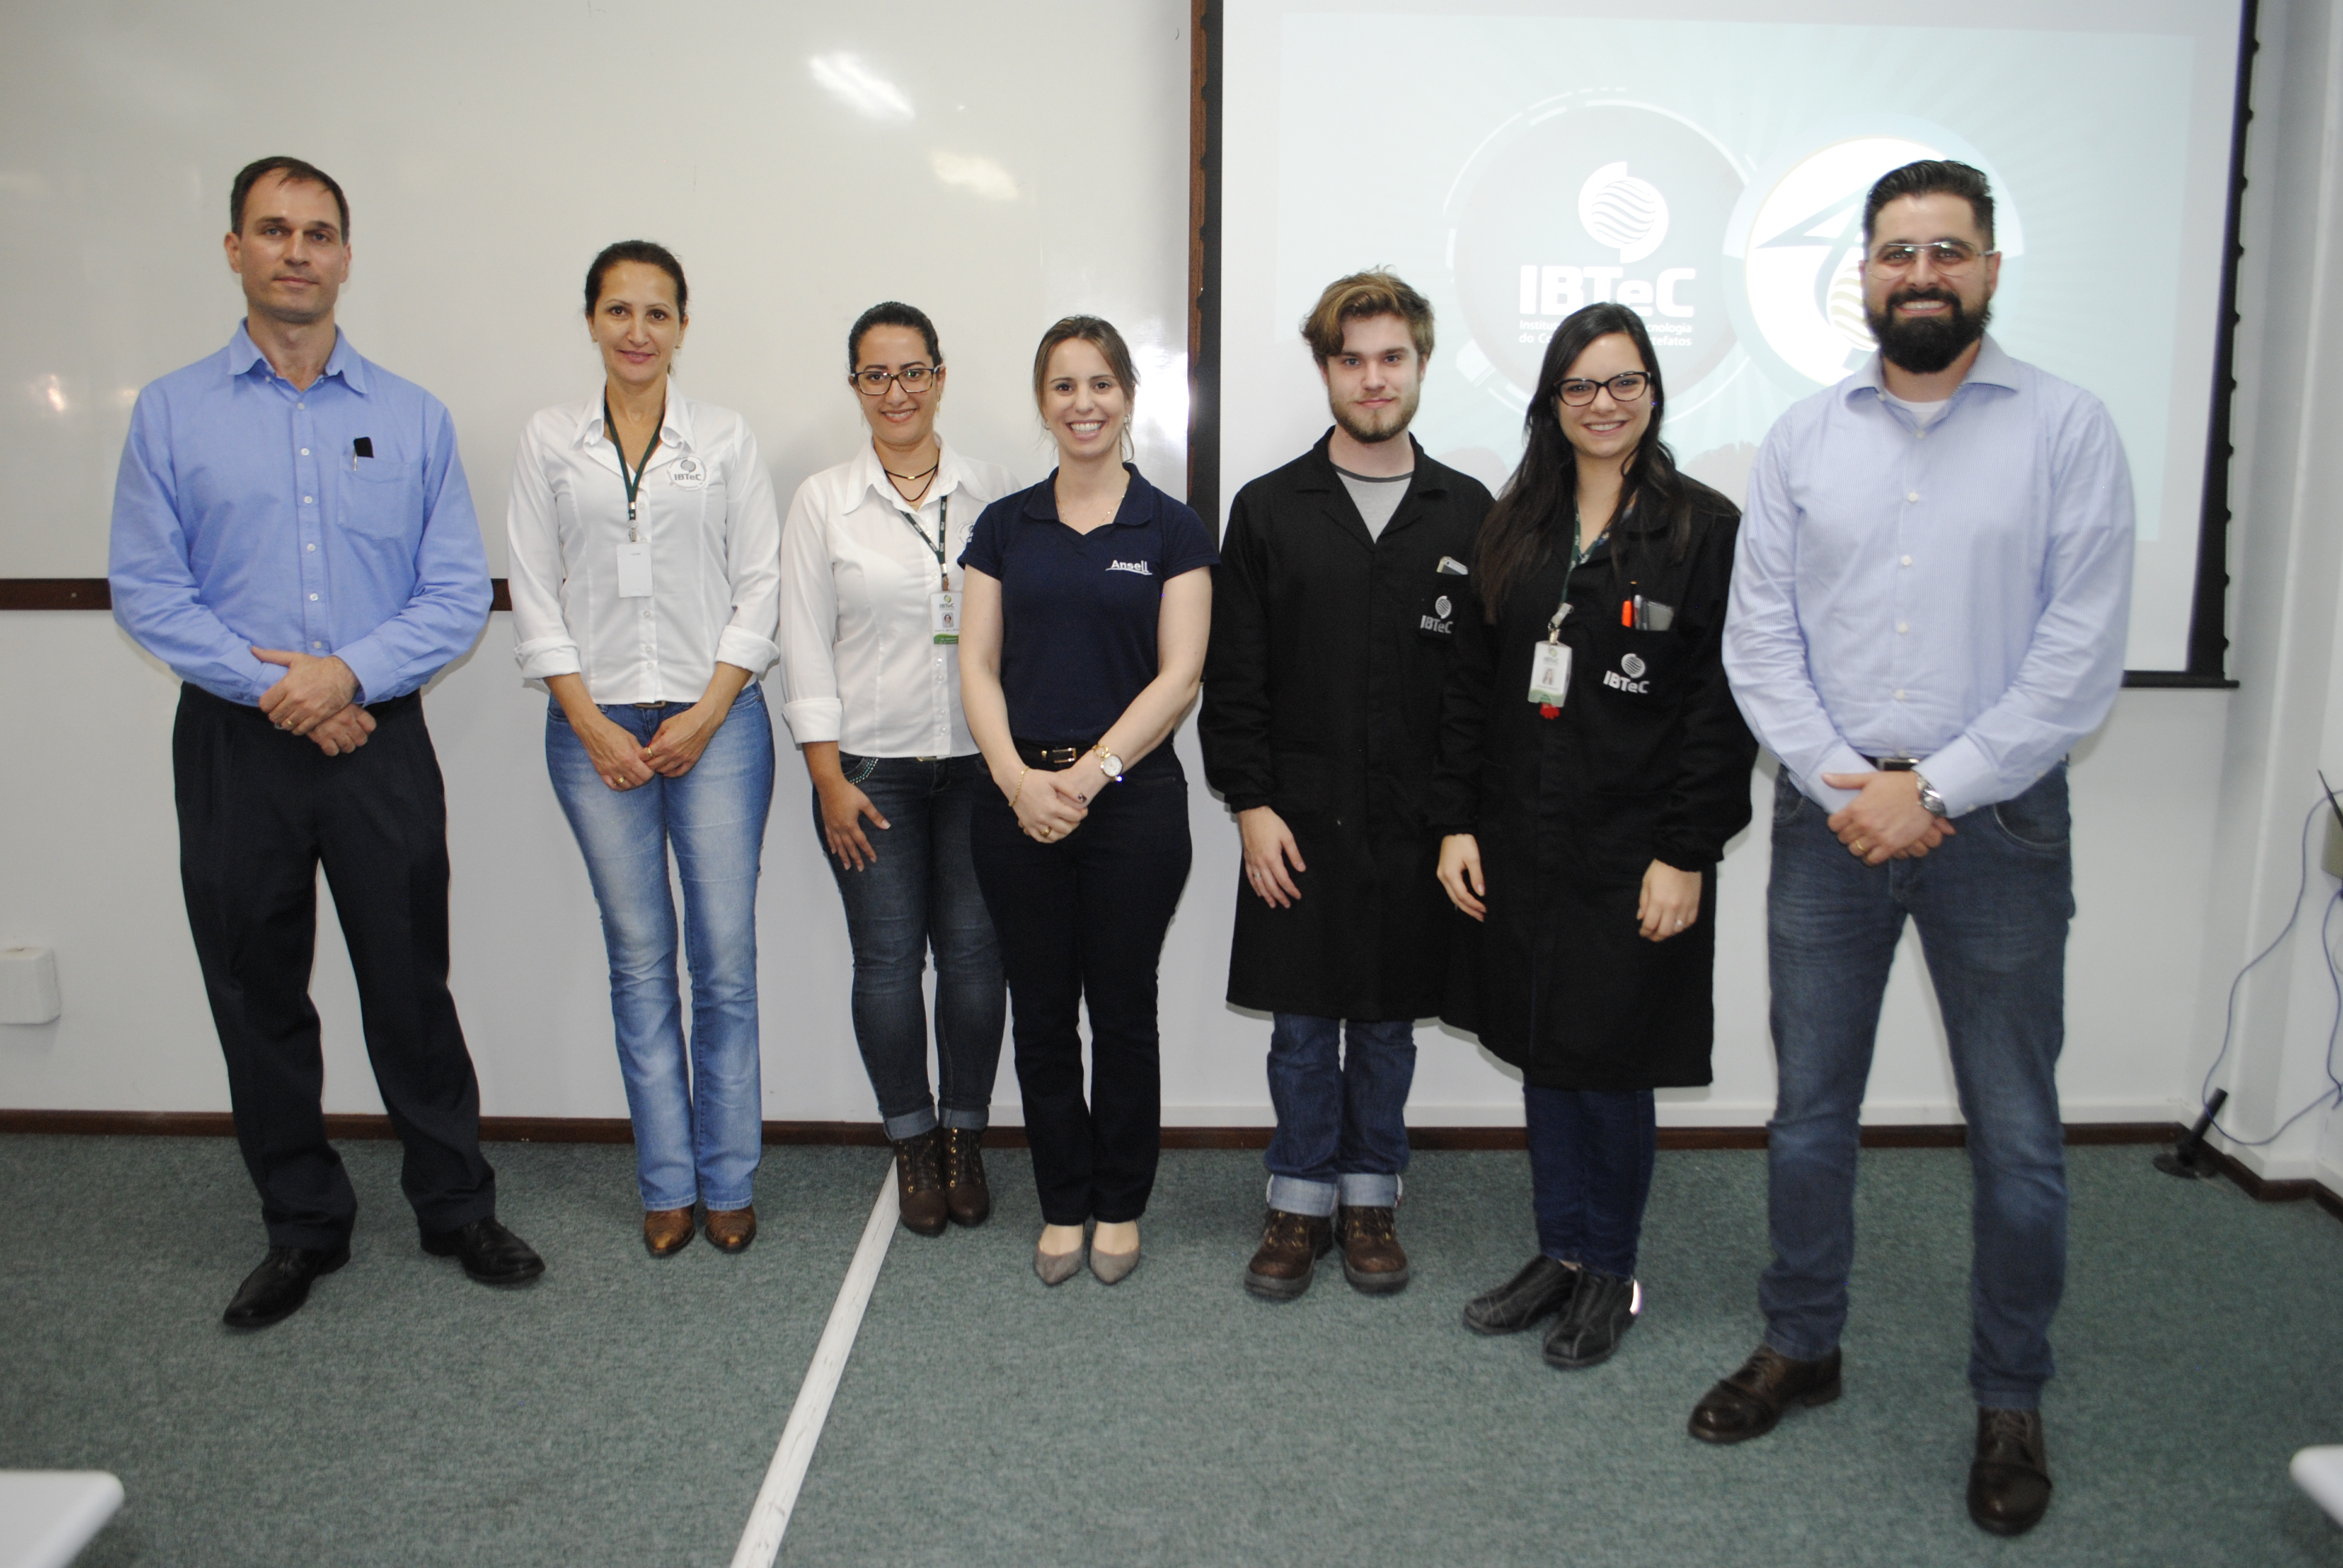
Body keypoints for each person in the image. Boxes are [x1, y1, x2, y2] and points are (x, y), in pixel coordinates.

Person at [1708, 160, 2134, 1538]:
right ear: (1863, 275)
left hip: (1998, 826)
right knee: (1809, 1115)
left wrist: (1930, 786)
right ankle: (1802, 1344)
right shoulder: (1800, 438)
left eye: (1947, 249)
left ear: (1993, 269)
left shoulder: (2068, 430)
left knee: (2014, 1138)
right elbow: (1758, 637)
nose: (1921, 274)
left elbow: (2076, 659)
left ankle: (2010, 1394)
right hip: (1832, 821)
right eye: (1896, 252)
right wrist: (1853, 785)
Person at [108, 156, 543, 1328]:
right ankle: (301, 1226)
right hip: (235, 747)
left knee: (411, 985)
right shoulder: (171, 412)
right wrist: (285, 692)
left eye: (318, 233)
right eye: (274, 231)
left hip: (378, 741)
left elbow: (451, 595)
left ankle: (455, 1207)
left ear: (346, 256)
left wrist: (346, 677)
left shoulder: (409, 417)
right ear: (236, 251)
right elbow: (150, 593)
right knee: (257, 989)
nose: (297, 252)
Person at [1431, 302, 1755, 1367]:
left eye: (1624, 383)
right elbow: (1472, 693)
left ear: (1654, 394)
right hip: (1523, 839)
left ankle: (1611, 1269)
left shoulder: (1703, 530)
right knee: (1544, 1051)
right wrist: (1458, 826)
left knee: (1610, 1063)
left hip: (1636, 851)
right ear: (1552, 403)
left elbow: (1720, 707)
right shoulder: (1515, 523)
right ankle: (1560, 1253)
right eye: (1581, 386)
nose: (1604, 404)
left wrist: (1687, 853)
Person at [1199, 270, 1489, 1300]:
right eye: (1353, 359)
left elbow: (1476, 699)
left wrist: (1459, 821)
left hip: (1415, 823)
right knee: (1300, 1023)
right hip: (1296, 816)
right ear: (1327, 369)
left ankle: (1371, 1194)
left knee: (1387, 1021)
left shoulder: (1469, 512)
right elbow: (1235, 676)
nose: (1374, 379)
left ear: (1419, 364)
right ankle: (1297, 1200)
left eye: (1392, 358)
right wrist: (1252, 805)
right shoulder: (1271, 509)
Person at [506, 241, 781, 1259]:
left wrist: (708, 712)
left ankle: (729, 1179)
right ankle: (666, 1179)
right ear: (590, 322)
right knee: (638, 961)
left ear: (683, 326)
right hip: (594, 728)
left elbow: (760, 586)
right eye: (618, 311)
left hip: (717, 723)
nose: (637, 331)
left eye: (657, 313)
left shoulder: (726, 439)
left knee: (724, 964)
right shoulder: (548, 441)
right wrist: (591, 724)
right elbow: (535, 592)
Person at [957, 316, 1216, 1287]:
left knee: (1123, 1011)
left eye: (1101, 383)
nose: (1084, 404)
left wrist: (1091, 774)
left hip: (1133, 805)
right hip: (1016, 805)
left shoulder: (1172, 527)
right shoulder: (1003, 527)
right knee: (1040, 1013)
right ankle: (1063, 1202)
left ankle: (1121, 1202)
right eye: (1064, 386)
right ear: (1042, 402)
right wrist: (1022, 782)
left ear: (1129, 397)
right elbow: (977, 668)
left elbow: (1180, 674)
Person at [778, 302, 1016, 1237]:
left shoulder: (993, 491)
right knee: (885, 965)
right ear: (854, 388)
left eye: (913, 371)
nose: (897, 392)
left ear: (942, 376)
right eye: (876, 375)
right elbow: (802, 644)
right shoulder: (822, 501)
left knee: (972, 961)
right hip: (869, 771)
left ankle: (965, 1136)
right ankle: (912, 1141)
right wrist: (827, 777)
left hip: (976, 767)